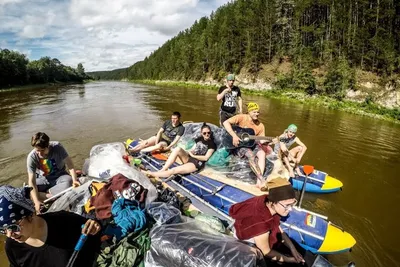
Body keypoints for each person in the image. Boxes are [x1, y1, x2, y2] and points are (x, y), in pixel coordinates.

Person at [1, 185, 101, 267]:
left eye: (14, 227)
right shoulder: (12, 246)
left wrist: (95, 227)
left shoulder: (65, 221)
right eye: (3, 230)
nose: (9, 235)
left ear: (31, 215)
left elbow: (95, 235)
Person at [229, 178, 311, 266]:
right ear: (273, 202)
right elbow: (266, 252)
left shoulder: (266, 200)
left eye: (292, 204)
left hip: (261, 235)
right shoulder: (260, 223)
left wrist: (293, 249)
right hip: (249, 245)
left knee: (298, 250)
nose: (290, 209)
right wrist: (290, 260)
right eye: (287, 205)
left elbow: (277, 228)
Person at [27, 132, 79, 214]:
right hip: (44, 179)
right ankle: (52, 196)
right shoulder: (32, 157)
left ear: (48, 145)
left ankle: (46, 195)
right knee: (27, 189)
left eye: (42, 150)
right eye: (37, 150)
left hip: (60, 176)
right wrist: (36, 202)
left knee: (69, 181)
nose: (40, 154)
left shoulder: (57, 147)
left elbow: (70, 165)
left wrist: (75, 180)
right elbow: (31, 181)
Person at [143, 123, 216, 178]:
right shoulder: (199, 139)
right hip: (189, 158)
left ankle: (151, 174)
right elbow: (194, 148)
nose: (207, 134)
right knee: (177, 149)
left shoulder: (212, 144)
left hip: (196, 163)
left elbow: (206, 157)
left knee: (174, 170)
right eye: (204, 133)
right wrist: (189, 152)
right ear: (201, 133)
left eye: (208, 133)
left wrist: (193, 155)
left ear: (210, 132)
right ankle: (163, 169)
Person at [223, 102, 269, 188]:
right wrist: (234, 136)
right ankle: (262, 179)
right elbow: (226, 122)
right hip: (239, 144)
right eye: (254, 112)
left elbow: (261, 140)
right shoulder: (242, 117)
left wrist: (268, 141)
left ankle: (259, 182)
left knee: (262, 153)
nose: (257, 114)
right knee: (250, 154)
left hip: (251, 144)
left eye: (258, 112)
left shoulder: (261, 125)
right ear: (249, 112)